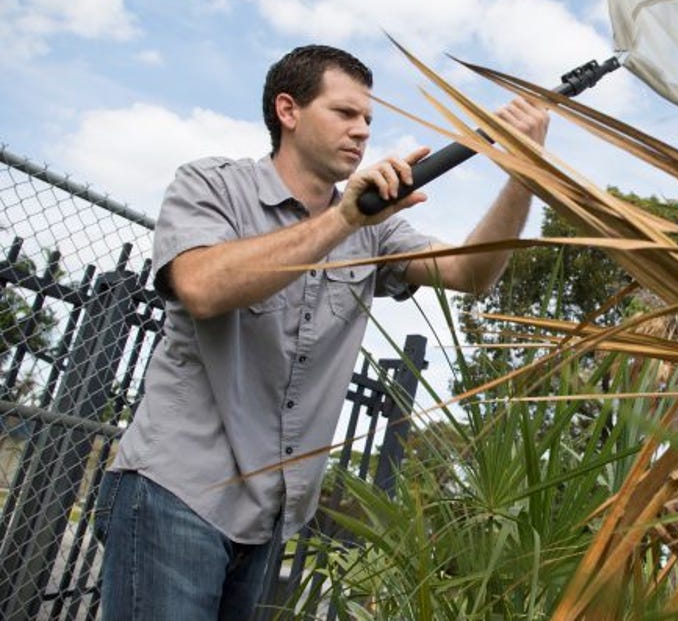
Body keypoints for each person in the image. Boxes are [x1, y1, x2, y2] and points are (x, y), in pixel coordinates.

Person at [90, 44, 548, 620]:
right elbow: (203, 286)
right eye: (345, 113)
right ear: (288, 110)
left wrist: (524, 171)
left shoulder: (374, 230)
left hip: (270, 517)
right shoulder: (212, 186)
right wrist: (343, 220)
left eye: (369, 121)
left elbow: (473, 273)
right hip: (174, 493)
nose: (362, 132)